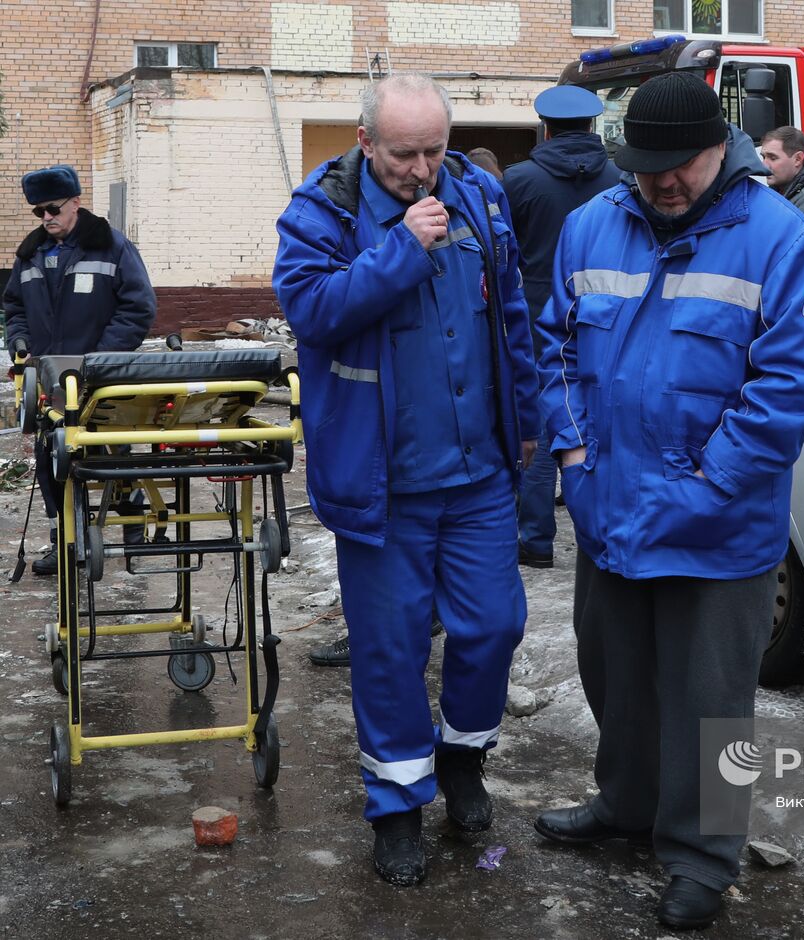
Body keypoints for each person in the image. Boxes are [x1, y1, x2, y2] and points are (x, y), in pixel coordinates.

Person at [533, 73, 804, 930]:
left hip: (720, 523)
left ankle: (706, 856)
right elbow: (552, 345)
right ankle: (626, 803)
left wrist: (704, 485)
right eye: (646, 167)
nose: (662, 182)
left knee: (712, 704)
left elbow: (797, 384)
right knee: (616, 680)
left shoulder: (781, 241)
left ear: (723, 151)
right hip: (607, 508)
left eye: (682, 165)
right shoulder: (593, 226)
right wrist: (571, 453)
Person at [272, 73, 538, 887]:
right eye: (403, 155)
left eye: (434, 150)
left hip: (478, 474)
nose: (422, 170)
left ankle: (462, 758)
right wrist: (401, 248)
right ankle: (395, 809)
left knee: (493, 626)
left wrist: (525, 421)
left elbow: (512, 311)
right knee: (388, 653)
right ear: (364, 143)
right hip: (383, 481)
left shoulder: (480, 196)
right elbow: (311, 312)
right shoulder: (320, 213)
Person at [3, 164, 156, 576]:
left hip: (102, 377)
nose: (46, 218)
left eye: (53, 208)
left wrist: (103, 357)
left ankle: (132, 522)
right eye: (38, 212)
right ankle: (65, 539)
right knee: (52, 455)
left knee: (112, 452)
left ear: (76, 202)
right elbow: (14, 308)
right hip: (51, 379)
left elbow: (138, 308)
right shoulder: (31, 254)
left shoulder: (112, 247)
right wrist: (18, 343)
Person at [502, 85, 621, 570]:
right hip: (602, 313)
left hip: (534, 314)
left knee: (543, 417)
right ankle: (602, 528)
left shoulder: (518, 180)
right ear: (592, 127)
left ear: (545, 128)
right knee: (599, 416)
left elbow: (501, 253)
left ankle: (534, 538)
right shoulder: (620, 177)